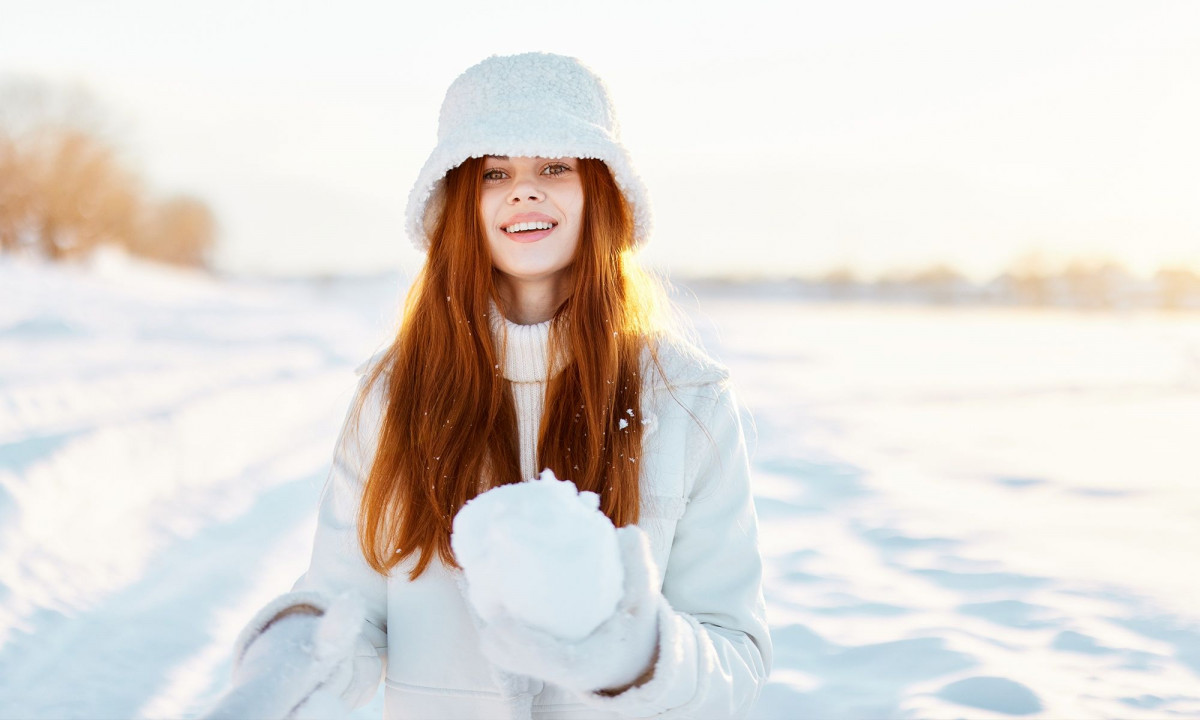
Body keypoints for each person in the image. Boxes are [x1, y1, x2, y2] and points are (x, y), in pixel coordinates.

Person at [207, 52, 771, 720]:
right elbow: (348, 610)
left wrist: (632, 654)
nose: (523, 191)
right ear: (456, 203)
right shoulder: (394, 394)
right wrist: (289, 668)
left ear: (603, 192)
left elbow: (737, 656)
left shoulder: (687, 399)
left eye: (555, 166)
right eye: (494, 172)